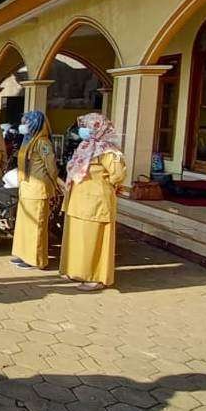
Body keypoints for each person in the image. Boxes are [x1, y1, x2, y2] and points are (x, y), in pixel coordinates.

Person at [60, 113, 128, 291]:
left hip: (95, 202)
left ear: (99, 127)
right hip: (78, 200)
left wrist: (105, 186)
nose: (83, 130)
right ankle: (76, 271)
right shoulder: (85, 146)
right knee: (77, 237)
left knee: (93, 240)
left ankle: (95, 277)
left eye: (88, 126)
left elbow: (118, 175)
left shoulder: (108, 151)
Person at [10, 111, 59, 270]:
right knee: (25, 225)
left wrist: (56, 183)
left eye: (26, 123)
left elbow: (50, 167)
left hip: (38, 189)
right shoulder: (28, 140)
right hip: (27, 187)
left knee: (35, 226)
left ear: (35, 124)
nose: (23, 126)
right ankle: (24, 254)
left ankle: (36, 260)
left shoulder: (43, 142)